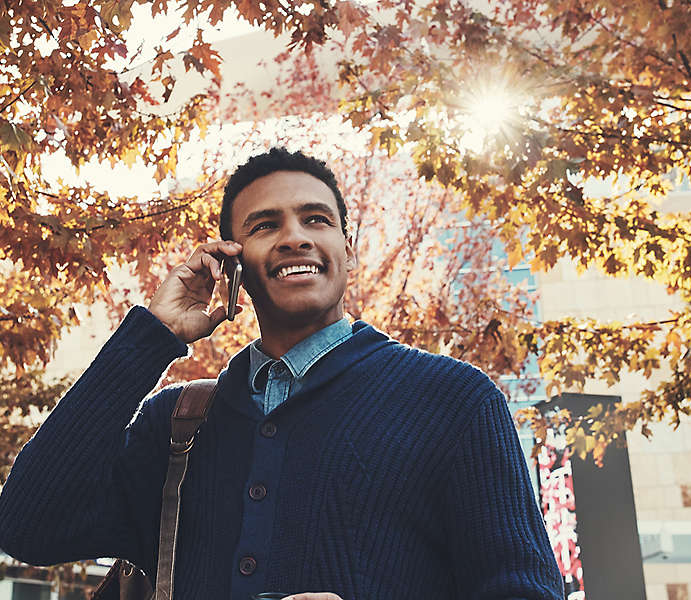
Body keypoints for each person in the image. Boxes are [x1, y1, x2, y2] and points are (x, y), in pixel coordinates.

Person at [0, 148, 563, 600]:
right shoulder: (177, 425)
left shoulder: (454, 400)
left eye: (315, 219)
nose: (295, 236)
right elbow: (28, 525)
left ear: (347, 246)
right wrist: (151, 337)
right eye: (266, 225)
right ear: (233, 263)